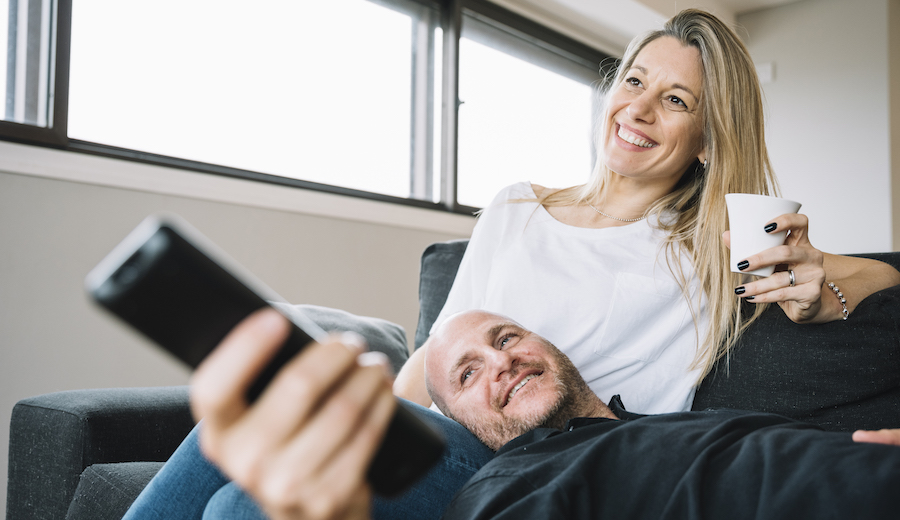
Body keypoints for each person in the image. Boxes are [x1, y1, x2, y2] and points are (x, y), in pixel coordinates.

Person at [122, 8, 900, 519]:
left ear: (708, 135)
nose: (638, 109)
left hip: (542, 465)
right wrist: (373, 418)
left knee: (239, 511)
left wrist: (821, 281)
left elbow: (876, 278)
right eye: (634, 81)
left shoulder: (712, 243)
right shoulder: (517, 205)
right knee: (245, 418)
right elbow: (438, 351)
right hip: (445, 430)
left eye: (676, 101)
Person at [189, 308, 900, 520]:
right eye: (468, 374)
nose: (501, 361)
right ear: (460, 427)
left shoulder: (682, 418)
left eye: (507, 339)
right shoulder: (510, 486)